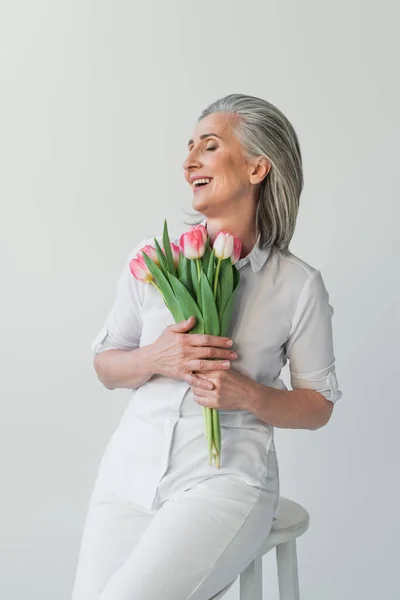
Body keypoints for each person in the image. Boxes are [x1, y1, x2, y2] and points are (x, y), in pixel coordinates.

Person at [71, 93, 342, 600]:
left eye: (209, 146)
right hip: (127, 474)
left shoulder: (296, 284)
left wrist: (247, 395)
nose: (189, 159)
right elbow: (106, 366)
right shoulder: (151, 261)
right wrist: (155, 358)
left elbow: (318, 406)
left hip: (225, 482)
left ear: (258, 167)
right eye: (189, 146)